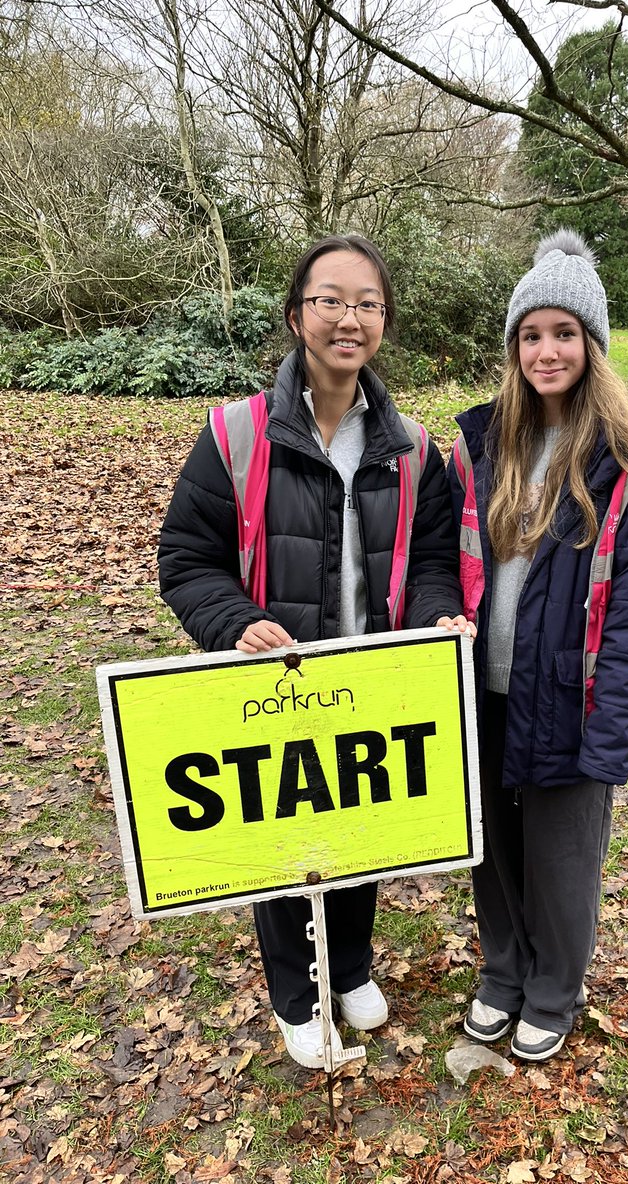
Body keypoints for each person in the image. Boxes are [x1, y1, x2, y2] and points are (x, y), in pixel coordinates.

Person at [159, 233, 472, 1069]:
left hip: (370, 680)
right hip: (275, 687)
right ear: (298, 314)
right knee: (286, 843)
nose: (349, 318)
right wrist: (234, 623)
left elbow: (435, 561)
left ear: (384, 324)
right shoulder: (235, 434)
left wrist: (439, 618)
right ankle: (298, 1000)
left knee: (364, 829)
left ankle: (352, 967)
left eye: (368, 304)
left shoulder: (411, 448)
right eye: (330, 299)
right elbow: (187, 562)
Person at [448, 230, 628, 1062]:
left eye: (564, 333)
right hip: (485, 690)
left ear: (593, 344)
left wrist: (612, 735)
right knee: (494, 851)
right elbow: (446, 560)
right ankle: (505, 971)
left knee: (562, 858)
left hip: (572, 703)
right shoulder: (481, 443)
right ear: (514, 346)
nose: (546, 351)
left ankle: (554, 988)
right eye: (531, 335)